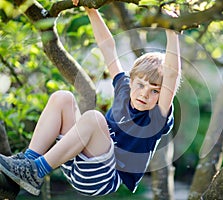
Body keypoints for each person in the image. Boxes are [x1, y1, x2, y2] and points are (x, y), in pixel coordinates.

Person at [0, 3, 181, 197]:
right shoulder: (124, 89)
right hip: (76, 160)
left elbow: (171, 75)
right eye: (141, 85)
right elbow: (107, 48)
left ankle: (36, 170)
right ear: (132, 81)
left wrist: (172, 31)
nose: (145, 94)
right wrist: (90, 9)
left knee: (94, 118)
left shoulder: (157, 116)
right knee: (62, 98)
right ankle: (27, 165)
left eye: (155, 91)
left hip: (104, 178)